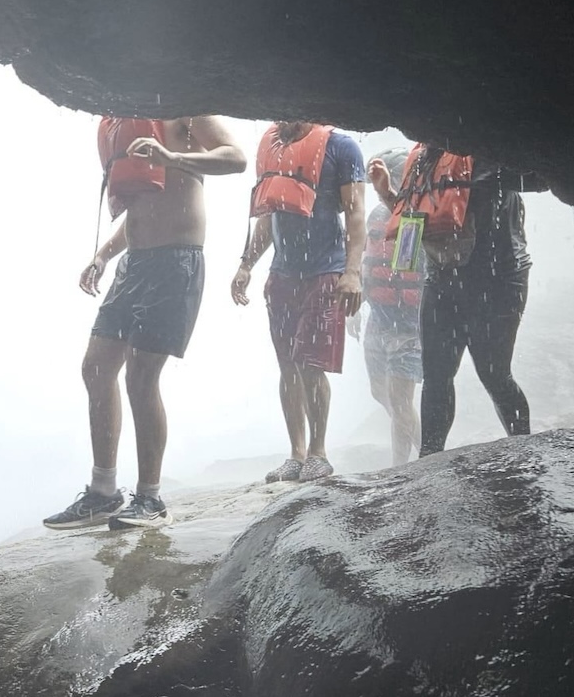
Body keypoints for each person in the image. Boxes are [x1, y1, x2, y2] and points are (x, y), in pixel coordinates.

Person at [43, 116, 246, 530]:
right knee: (96, 368)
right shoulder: (126, 122)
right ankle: (103, 492)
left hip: (176, 260)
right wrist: (103, 255)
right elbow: (140, 207)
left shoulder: (184, 109)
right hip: (133, 263)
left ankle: (151, 499)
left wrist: (172, 156)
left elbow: (237, 158)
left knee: (140, 377)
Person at [368, 143, 546, 456]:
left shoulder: (483, 152)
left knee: (494, 374)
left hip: (497, 281)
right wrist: (386, 193)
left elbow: (544, 178)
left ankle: (523, 450)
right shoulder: (422, 160)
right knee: (436, 375)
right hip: (442, 281)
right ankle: (430, 459)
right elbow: (416, 218)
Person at [231, 121, 366, 483]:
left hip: (326, 271)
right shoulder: (275, 147)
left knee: (310, 365)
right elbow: (271, 214)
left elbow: (355, 214)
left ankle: (318, 453)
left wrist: (352, 273)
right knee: (288, 365)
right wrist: (246, 264)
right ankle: (296, 454)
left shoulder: (341, 147)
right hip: (283, 273)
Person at [353, 147, 423, 467]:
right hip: (378, 321)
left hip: (408, 324)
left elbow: (405, 262)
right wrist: (357, 304)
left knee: (399, 400)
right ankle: (428, 446)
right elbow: (369, 262)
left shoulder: (413, 214)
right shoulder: (376, 217)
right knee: (379, 394)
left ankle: (400, 469)